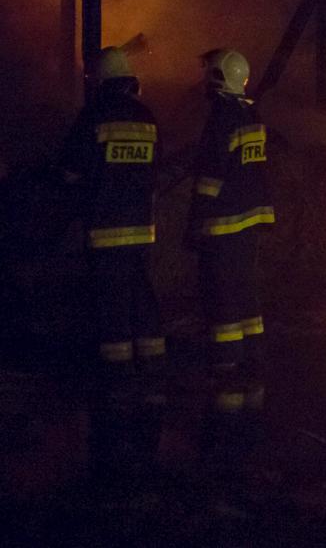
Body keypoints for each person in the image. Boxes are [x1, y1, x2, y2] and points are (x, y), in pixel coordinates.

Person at [57, 46, 166, 483]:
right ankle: (153, 365)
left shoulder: (95, 117)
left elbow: (70, 172)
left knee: (111, 301)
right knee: (141, 293)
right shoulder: (146, 117)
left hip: (105, 228)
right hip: (142, 228)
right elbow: (155, 172)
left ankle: (117, 376)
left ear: (100, 81)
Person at [186, 48, 275, 463]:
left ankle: (225, 367)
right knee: (245, 292)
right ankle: (253, 358)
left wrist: (196, 220)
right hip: (250, 220)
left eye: (210, 72)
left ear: (221, 76)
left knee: (222, 298)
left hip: (223, 221)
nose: (205, 79)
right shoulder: (250, 114)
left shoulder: (221, 118)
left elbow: (211, 178)